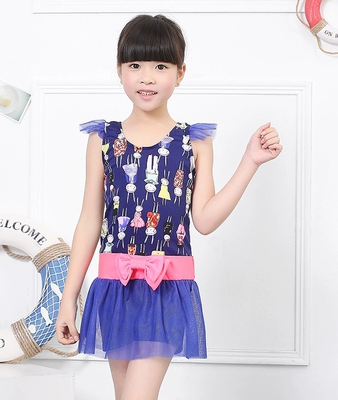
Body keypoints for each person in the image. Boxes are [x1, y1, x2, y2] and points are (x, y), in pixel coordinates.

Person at [56, 14, 283, 400]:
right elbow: (90, 222)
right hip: (113, 286)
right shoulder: (103, 139)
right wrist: (68, 299)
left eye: (160, 66)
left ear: (180, 73)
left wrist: (250, 162)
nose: (146, 77)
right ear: (119, 70)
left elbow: (205, 220)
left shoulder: (194, 142)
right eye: (135, 65)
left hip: (165, 288)